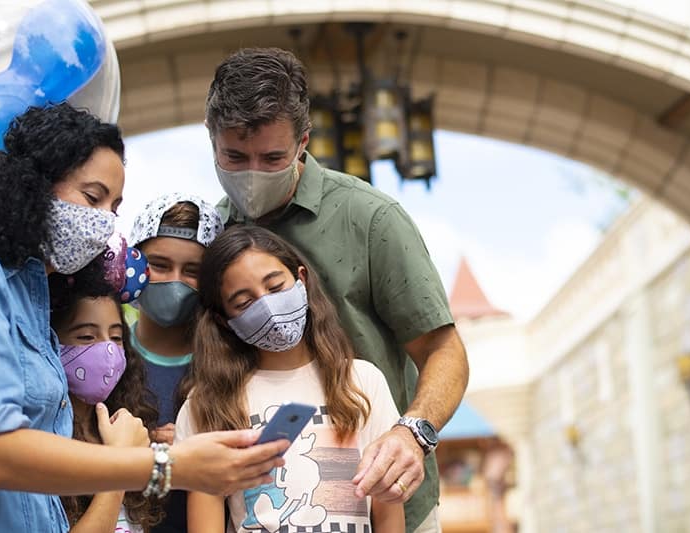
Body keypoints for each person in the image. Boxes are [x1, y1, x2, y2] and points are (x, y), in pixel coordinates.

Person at [0, 102, 290, 533]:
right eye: (91, 197)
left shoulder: (35, 294)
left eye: (114, 207)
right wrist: (165, 464)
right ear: (31, 186)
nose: (102, 222)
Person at [206, 47, 469, 532]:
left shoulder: (371, 219)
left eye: (272, 157)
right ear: (211, 140)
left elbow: (444, 349)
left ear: (304, 142)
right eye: (234, 156)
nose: (252, 173)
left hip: (388, 504)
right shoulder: (213, 231)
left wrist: (413, 434)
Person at [174, 225, 405, 532]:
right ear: (224, 321)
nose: (267, 305)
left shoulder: (363, 381)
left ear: (302, 279)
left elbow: (389, 511)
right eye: (244, 303)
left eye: (275, 286)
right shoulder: (207, 402)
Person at [128, 192, 225, 533]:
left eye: (193, 270)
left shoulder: (229, 366)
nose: (174, 280)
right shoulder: (102, 354)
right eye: (160, 265)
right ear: (134, 261)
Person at [51, 291, 161, 533]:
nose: (108, 350)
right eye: (87, 336)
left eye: (116, 337)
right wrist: (120, 459)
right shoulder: (42, 441)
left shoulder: (127, 427)